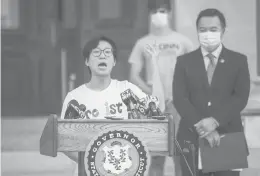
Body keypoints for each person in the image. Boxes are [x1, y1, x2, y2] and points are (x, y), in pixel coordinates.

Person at [60, 36, 160, 176]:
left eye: (108, 53)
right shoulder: (75, 98)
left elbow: (156, 112)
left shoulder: (127, 90)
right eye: (96, 52)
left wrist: (153, 63)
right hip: (89, 171)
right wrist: (93, 163)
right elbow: (64, 142)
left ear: (114, 62)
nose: (102, 56)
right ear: (87, 61)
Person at [173, 8, 250, 176]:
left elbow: (240, 97)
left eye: (213, 29)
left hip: (228, 138)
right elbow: (180, 98)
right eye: (203, 30)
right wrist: (203, 128)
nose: (208, 34)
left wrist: (215, 121)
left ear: (223, 30)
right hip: (191, 137)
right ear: (197, 32)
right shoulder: (184, 62)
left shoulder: (238, 61)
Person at [128, 0, 193, 175]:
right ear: (149, 15)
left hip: (179, 105)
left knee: (182, 155)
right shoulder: (142, 43)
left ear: (170, 13)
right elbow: (134, 76)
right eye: (155, 11)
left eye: (163, 11)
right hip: (154, 106)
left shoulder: (183, 41)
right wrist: (152, 94)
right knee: (156, 155)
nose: (159, 15)